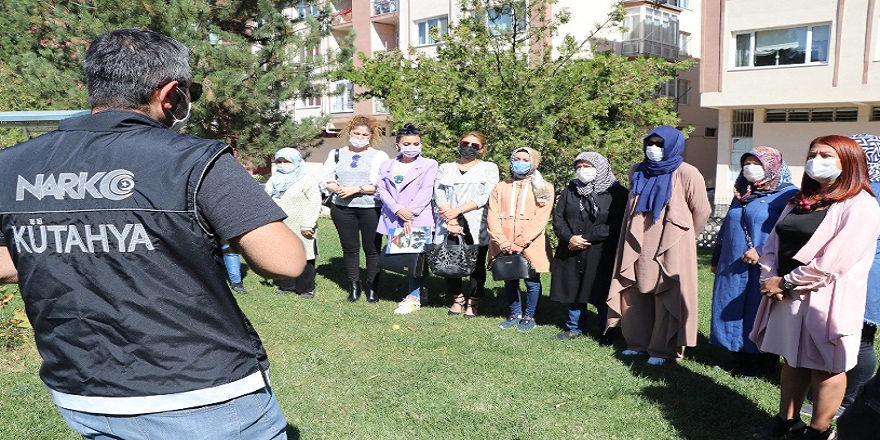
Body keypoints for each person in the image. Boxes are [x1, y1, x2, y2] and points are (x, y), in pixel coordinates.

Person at [0, 29, 305, 439]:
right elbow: (285, 261)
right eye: (189, 92)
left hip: (84, 389)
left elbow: (6, 264)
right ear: (170, 93)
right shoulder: (193, 159)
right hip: (198, 389)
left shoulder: (12, 164)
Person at [749, 135, 880, 440]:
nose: (816, 160)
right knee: (792, 360)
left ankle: (820, 431)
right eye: (813, 154)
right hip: (786, 294)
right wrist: (769, 278)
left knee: (826, 365)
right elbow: (773, 243)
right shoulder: (801, 200)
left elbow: (836, 260)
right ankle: (787, 421)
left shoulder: (861, 204)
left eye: (826, 156)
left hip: (827, 297)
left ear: (849, 163)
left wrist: (787, 281)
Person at [606, 126, 711, 365]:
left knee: (667, 292)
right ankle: (637, 343)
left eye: (659, 144)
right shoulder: (637, 171)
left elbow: (702, 210)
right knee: (635, 288)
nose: (653, 149)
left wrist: (685, 238)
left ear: (673, 145)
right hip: (638, 241)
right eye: (650, 143)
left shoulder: (686, 172)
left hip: (670, 242)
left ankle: (663, 350)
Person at [710, 147, 798, 378]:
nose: (750, 168)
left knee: (757, 310)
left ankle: (762, 362)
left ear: (772, 166)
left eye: (757, 163)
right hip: (733, 263)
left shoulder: (787, 195)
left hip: (765, 264)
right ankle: (738, 355)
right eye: (747, 163)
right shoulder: (742, 193)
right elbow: (726, 228)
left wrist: (761, 250)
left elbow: (790, 230)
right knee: (731, 307)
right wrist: (716, 258)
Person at [550, 151, 627, 342]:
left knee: (602, 289)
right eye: (579, 166)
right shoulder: (571, 190)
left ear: (600, 167)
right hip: (571, 247)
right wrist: (570, 238)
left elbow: (615, 223)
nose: (582, 170)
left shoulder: (617, 193)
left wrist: (586, 237)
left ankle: (607, 330)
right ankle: (574, 328)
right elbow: (558, 217)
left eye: (587, 166)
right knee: (573, 288)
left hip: (601, 250)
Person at [321, 115, 390, 303]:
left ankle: (372, 288)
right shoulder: (336, 153)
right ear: (349, 132)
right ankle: (354, 286)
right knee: (350, 249)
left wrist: (356, 189)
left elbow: (380, 185)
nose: (359, 137)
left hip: (371, 208)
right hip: (342, 208)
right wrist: (338, 188)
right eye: (356, 133)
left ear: (371, 135)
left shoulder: (379, 156)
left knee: (372, 249)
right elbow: (326, 179)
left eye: (364, 134)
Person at [487, 147, 554, 333]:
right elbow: (492, 215)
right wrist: (502, 241)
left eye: (525, 159)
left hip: (530, 241)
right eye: (517, 158)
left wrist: (520, 242)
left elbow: (541, 218)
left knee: (531, 280)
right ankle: (515, 313)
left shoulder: (544, 187)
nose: (520, 162)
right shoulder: (501, 186)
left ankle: (530, 315)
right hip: (504, 241)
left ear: (534, 162)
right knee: (510, 278)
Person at [434, 131, 500, 317]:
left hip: (476, 220)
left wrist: (458, 211)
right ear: (459, 144)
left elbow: (487, 194)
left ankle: (474, 300)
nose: (469, 147)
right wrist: (450, 217)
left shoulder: (489, 168)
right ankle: (457, 298)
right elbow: (439, 193)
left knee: (476, 264)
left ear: (482, 149)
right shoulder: (445, 167)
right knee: (449, 259)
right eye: (465, 143)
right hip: (448, 220)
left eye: (475, 145)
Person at [375, 124, 438, 314]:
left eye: (416, 143)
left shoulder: (429, 164)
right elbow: (382, 190)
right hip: (394, 218)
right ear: (397, 145)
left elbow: (427, 190)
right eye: (407, 143)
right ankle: (420, 292)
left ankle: (413, 298)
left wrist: (410, 213)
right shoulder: (387, 165)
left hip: (417, 217)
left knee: (415, 259)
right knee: (402, 257)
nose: (412, 147)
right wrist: (398, 210)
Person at [266, 147, 322, 298]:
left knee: (305, 256)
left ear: (297, 162)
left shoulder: (306, 179)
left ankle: (306, 288)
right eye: (279, 161)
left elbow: (315, 202)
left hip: (302, 226)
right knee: (283, 256)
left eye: (287, 161)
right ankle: (286, 285)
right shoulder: (274, 180)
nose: (283, 164)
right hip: (280, 226)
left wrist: (308, 224)